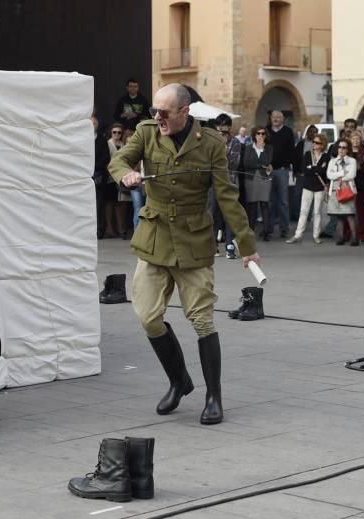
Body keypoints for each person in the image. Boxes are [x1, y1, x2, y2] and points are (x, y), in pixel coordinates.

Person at [108, 83, 261, 426]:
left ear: (184, 112)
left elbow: (227, 197)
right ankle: (179, 381)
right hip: (154, 238)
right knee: (148, 316)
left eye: (164, 112)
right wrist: (127, 175)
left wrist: (246, 246)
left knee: (202, 320)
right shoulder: (147, 133)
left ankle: (213, 396)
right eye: (155, 111)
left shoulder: (210, 144)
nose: (157, 117)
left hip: (193, 241)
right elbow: (118, 160)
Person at [209, 112, 243, 259]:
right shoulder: (211, 141)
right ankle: (213, 244)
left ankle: (229, 245)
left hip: (230, 183)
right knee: (213, 214)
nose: (221, 129)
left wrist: (222, 148)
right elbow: (208, 162)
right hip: (213, 183)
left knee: (229, 214)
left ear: (229, 127)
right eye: (219, 125)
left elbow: (233, 163)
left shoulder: (235, 143)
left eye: (224, 126)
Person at [286, 134, 329, 244]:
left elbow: (325, 172)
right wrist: (316, 169)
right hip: (308, 186)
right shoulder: (307, 154)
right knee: (303, 211)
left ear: (322, 145)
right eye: (314, 142)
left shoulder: (326, 157)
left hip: (319, 187)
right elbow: (304, 170)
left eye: (317, 143)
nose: (314, 144)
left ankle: (316, 235)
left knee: (317, 212)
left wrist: (313, 169)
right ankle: (297, 235)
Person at [265, 110, 296, 240]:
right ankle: (269, 228)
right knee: (269, 201)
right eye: (274, 117)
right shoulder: (265, 131)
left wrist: (288, 166)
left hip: (282, 170)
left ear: (283, 119)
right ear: (270, 118)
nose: (276, 119)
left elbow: (291, 152)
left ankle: (284, 229)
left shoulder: (288, 132)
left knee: (283, 201)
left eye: (278, 117)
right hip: (268, 170)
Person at [326, 139, 359, 245]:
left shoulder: (352, 161)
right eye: (339, 147)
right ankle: (340, 237)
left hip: (347, 189)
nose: (341, 150)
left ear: (348, 149)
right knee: (338, 215)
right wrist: (342, 173)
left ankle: (354, 238)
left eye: (344, 147)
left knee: (349, 214)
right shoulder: (332, 161)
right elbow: (329, 175)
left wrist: (340, 177)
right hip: (335, 189)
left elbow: (352, 174)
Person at [242, 126, 273, 236]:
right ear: (254, 135)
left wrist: (261, 149)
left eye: (263, 134)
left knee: (265, 204)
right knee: (252, 205)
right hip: (251, 179)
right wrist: (261, 165)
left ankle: (266, 231)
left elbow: (268, 161)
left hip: (264, 178)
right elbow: (246, 163)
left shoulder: (268, 148)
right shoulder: (248, 148)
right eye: (258, 133)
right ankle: (251, 230)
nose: (260, 136)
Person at [91, 111, 111, 240]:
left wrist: (94, 168)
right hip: (84, 175)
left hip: (97, 176)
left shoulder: (102, 140)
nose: (92, 125)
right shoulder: (81, 139)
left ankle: (99, 230)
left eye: (94, 123)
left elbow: (105, 158)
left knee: (99, 204)